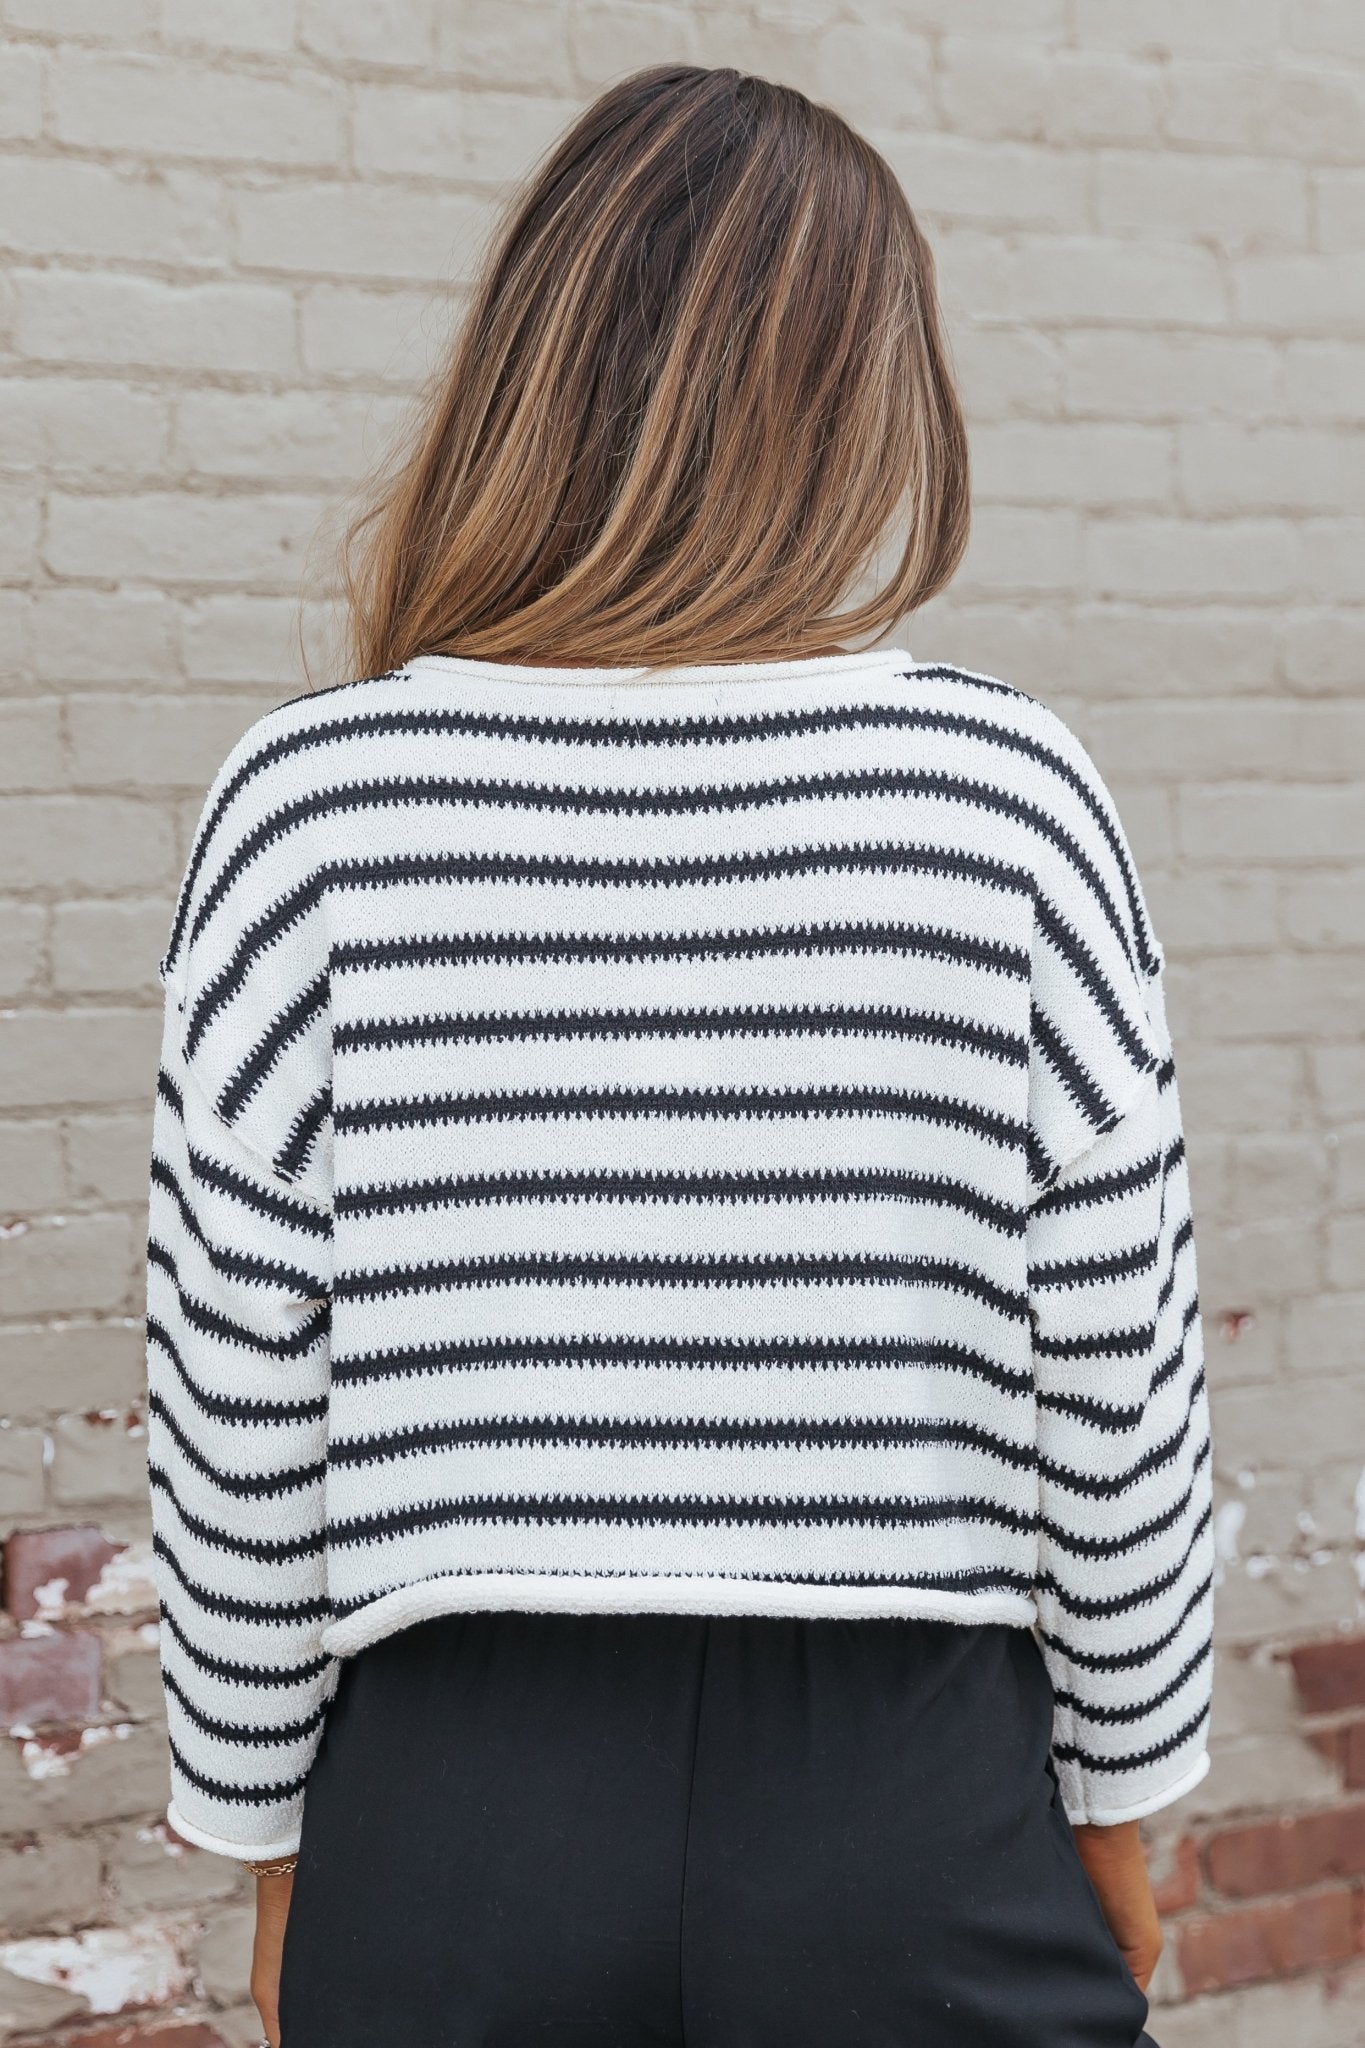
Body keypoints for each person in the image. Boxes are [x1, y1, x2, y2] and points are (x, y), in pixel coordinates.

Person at [144, 64, 1214, 2048]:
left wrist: (274, 1844)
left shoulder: (308, 803)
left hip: (451, 1805)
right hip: (908, 1795)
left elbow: (231, 1388)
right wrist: (1119, 1795)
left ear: (531, 366)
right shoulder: (1006, 794)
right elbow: (1117, 1367)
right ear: (861, 398)